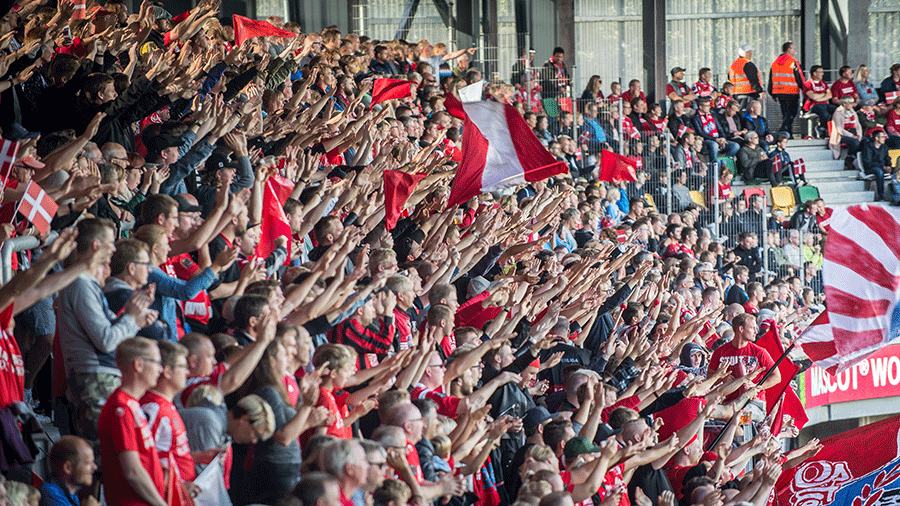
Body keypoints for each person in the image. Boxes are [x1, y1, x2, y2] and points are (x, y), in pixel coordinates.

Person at [57, 219, 159, 441]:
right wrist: (131, 318)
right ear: (96, 246)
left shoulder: (87, 283)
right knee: (103, 458)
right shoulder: (80, 284)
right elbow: (105, 340)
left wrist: (136, 318)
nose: (114, 249)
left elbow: (110, 328)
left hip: (99, 379)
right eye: (111, 243)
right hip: (94, 381)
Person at [98, 338, 167, 506]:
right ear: (138, 365)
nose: (161, 369)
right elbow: (132, 471)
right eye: (157, 362)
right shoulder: (120, 407)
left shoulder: (131, 404)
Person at [40, 436, 99, 506]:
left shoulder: (69, 493)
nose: (95, 467)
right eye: (88, 463)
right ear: (68, 468)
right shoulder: (51, 497)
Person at [768, 42, 805, 135]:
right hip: (791, 91)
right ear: (788, 49)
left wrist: (772, 93)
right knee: (792, 113)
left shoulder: (775, 63)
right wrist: (804, 87)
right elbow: (799, 76)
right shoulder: (792, 61)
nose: (794, 50)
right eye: (793, 48)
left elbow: (771, 79)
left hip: (779, 92)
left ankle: (788, 133)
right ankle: (783, 130)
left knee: (785, 113)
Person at [803, 65, 836, 134]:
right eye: (821, 72)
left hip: (825, 104)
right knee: (824, 113)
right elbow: (813, 97)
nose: (823, 74)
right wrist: (824, 94)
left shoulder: (823, 83)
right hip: (813, 106)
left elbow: (830, 95)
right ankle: (821, 127)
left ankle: (834, 129)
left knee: (837, 111)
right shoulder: (808, 84)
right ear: (814, 73)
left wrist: (819, 97)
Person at [861, 129, 891, 201]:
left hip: (883, 167)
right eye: (882, 137)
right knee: (879, 172)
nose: (884, 138)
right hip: (871, 168)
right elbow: (868, 162)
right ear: (876, 138)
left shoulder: (884, 147)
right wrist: (883, 167)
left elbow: (887, 158)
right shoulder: (868, 147)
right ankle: (881, 195)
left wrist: (889, 166)